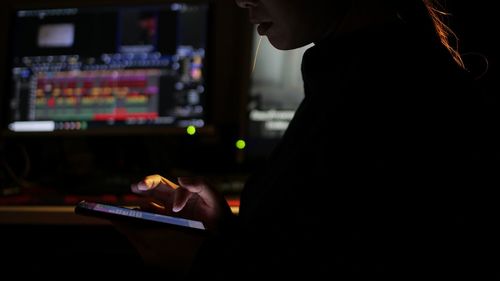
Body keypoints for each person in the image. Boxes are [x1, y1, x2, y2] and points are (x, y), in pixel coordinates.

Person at [119, 0, 498, 279]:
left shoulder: (393, 97)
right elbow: (309, 243)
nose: (241, 0)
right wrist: (226, 229)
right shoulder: (364, 70)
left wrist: (200, 260)